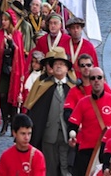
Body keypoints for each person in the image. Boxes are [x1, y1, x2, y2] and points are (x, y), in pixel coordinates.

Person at [24, 48, 76, 176]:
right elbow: (36, 111)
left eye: (62, 64)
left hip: (67, 135)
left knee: (66, 168)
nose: (58, 66)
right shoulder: (44, 86)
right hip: (49, 134)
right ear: (51, 67)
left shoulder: (73, 87)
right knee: (50, 169)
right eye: (56, 64)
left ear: (67, 69)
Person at [67, 67, 111, 176]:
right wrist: (72, 137)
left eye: (99, 77)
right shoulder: (83, 102)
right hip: (87, 151)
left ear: (104, 80)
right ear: (90, 81)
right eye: (93, 78)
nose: (96, 80)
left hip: (107, 150)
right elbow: (73, 124)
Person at [0, 9, 26, 136]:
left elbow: (19, 52)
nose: (4, 22)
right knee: (2, 95)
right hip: (2, 70)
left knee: (14, 96)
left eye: (6, 20)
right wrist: (2, 51)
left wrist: (12, 45)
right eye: (3, 20)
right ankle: (5, 121)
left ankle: (13, 123)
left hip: (14, 70)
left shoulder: (17, 34)